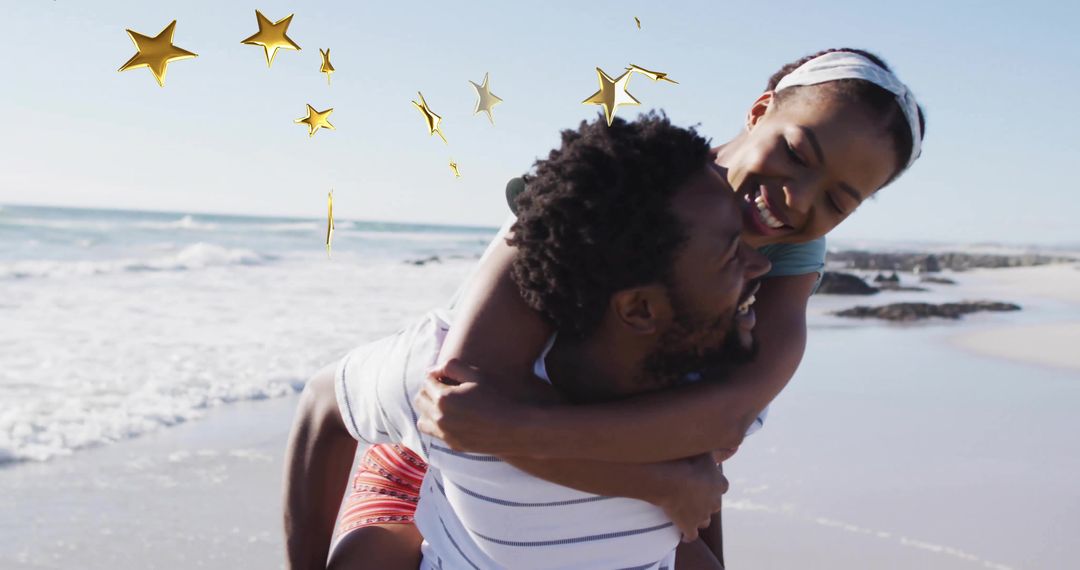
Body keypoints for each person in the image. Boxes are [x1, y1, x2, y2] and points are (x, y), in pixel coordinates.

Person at [323, 47, 928, 568]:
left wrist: (665, 482)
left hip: (554, 464)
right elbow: (464, 402)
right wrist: (654, 479)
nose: (796, 200)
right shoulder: (613, 180)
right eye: (797, 152)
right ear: (759, 110)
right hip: (425, 455)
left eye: (839, 200)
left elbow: (720, 420)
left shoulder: (789, 260)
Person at [283, 113, 771, 569]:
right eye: (732, 254)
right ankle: (411, 467)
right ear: (639, 309)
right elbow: (322, 401)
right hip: (424, 470)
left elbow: (700, 491)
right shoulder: (446, 388)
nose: (762, 265)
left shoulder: (720, 392)